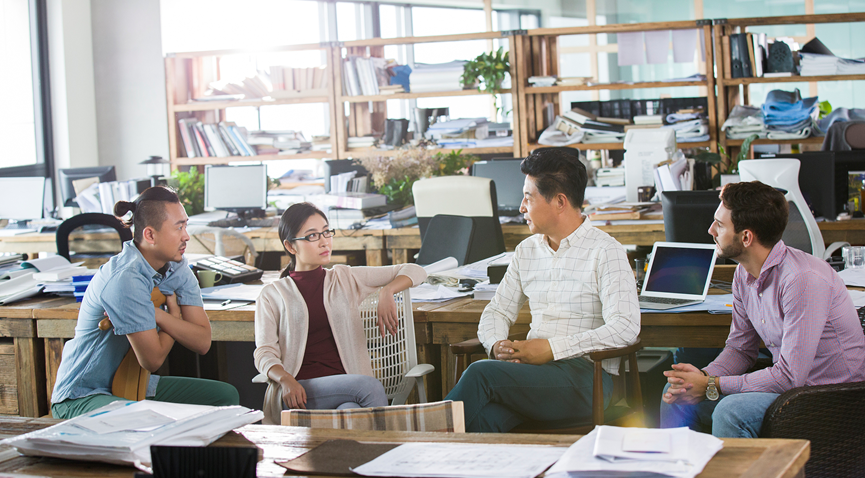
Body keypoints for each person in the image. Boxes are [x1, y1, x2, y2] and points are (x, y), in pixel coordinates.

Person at [444, 148, 641, 432]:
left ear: (559, 201)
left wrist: (552, 349)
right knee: (483, 420)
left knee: (480, 374)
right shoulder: (526, 251)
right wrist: (496, 344)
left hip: (587, 377)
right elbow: (498, 310)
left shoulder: (606, 251)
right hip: (531, 375)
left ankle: (416, 445)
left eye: (528, 197)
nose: (521, 207)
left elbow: (625, 327)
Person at [661, 181, 865, 438]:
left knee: (730, 412)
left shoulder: (802, 280)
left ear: (746, 237)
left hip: (832, 398)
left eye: (720, 224)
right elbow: (740, 349)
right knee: (677, 394)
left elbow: (789, 377)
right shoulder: (742, 274)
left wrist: (712, 384)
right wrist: (700, 378)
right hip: (792, 390)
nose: (710, 230)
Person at [51, 186, 239, 419]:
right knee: (141, 418)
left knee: (224, 397)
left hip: (131, 383)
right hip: (82, 395)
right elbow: (153, 359)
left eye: (185, 226)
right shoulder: (125, 278)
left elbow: (202, 342)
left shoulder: (177, 266)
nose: (186, 236)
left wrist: (158, 315)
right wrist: (174, 316)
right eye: (178, 227)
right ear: (150, 235)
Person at [254, 202, 427, 425]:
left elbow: (416, 270)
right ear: (290, 246)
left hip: (349, 390)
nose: (324, 241)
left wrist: (388, 291)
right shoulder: (272, 294)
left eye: (326, 232)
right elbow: (264, 352)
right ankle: (392, 444)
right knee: (369, 386)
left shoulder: (344, 278)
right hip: (299, 391)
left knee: (352, 412)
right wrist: (286, 380)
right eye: (312, 236)